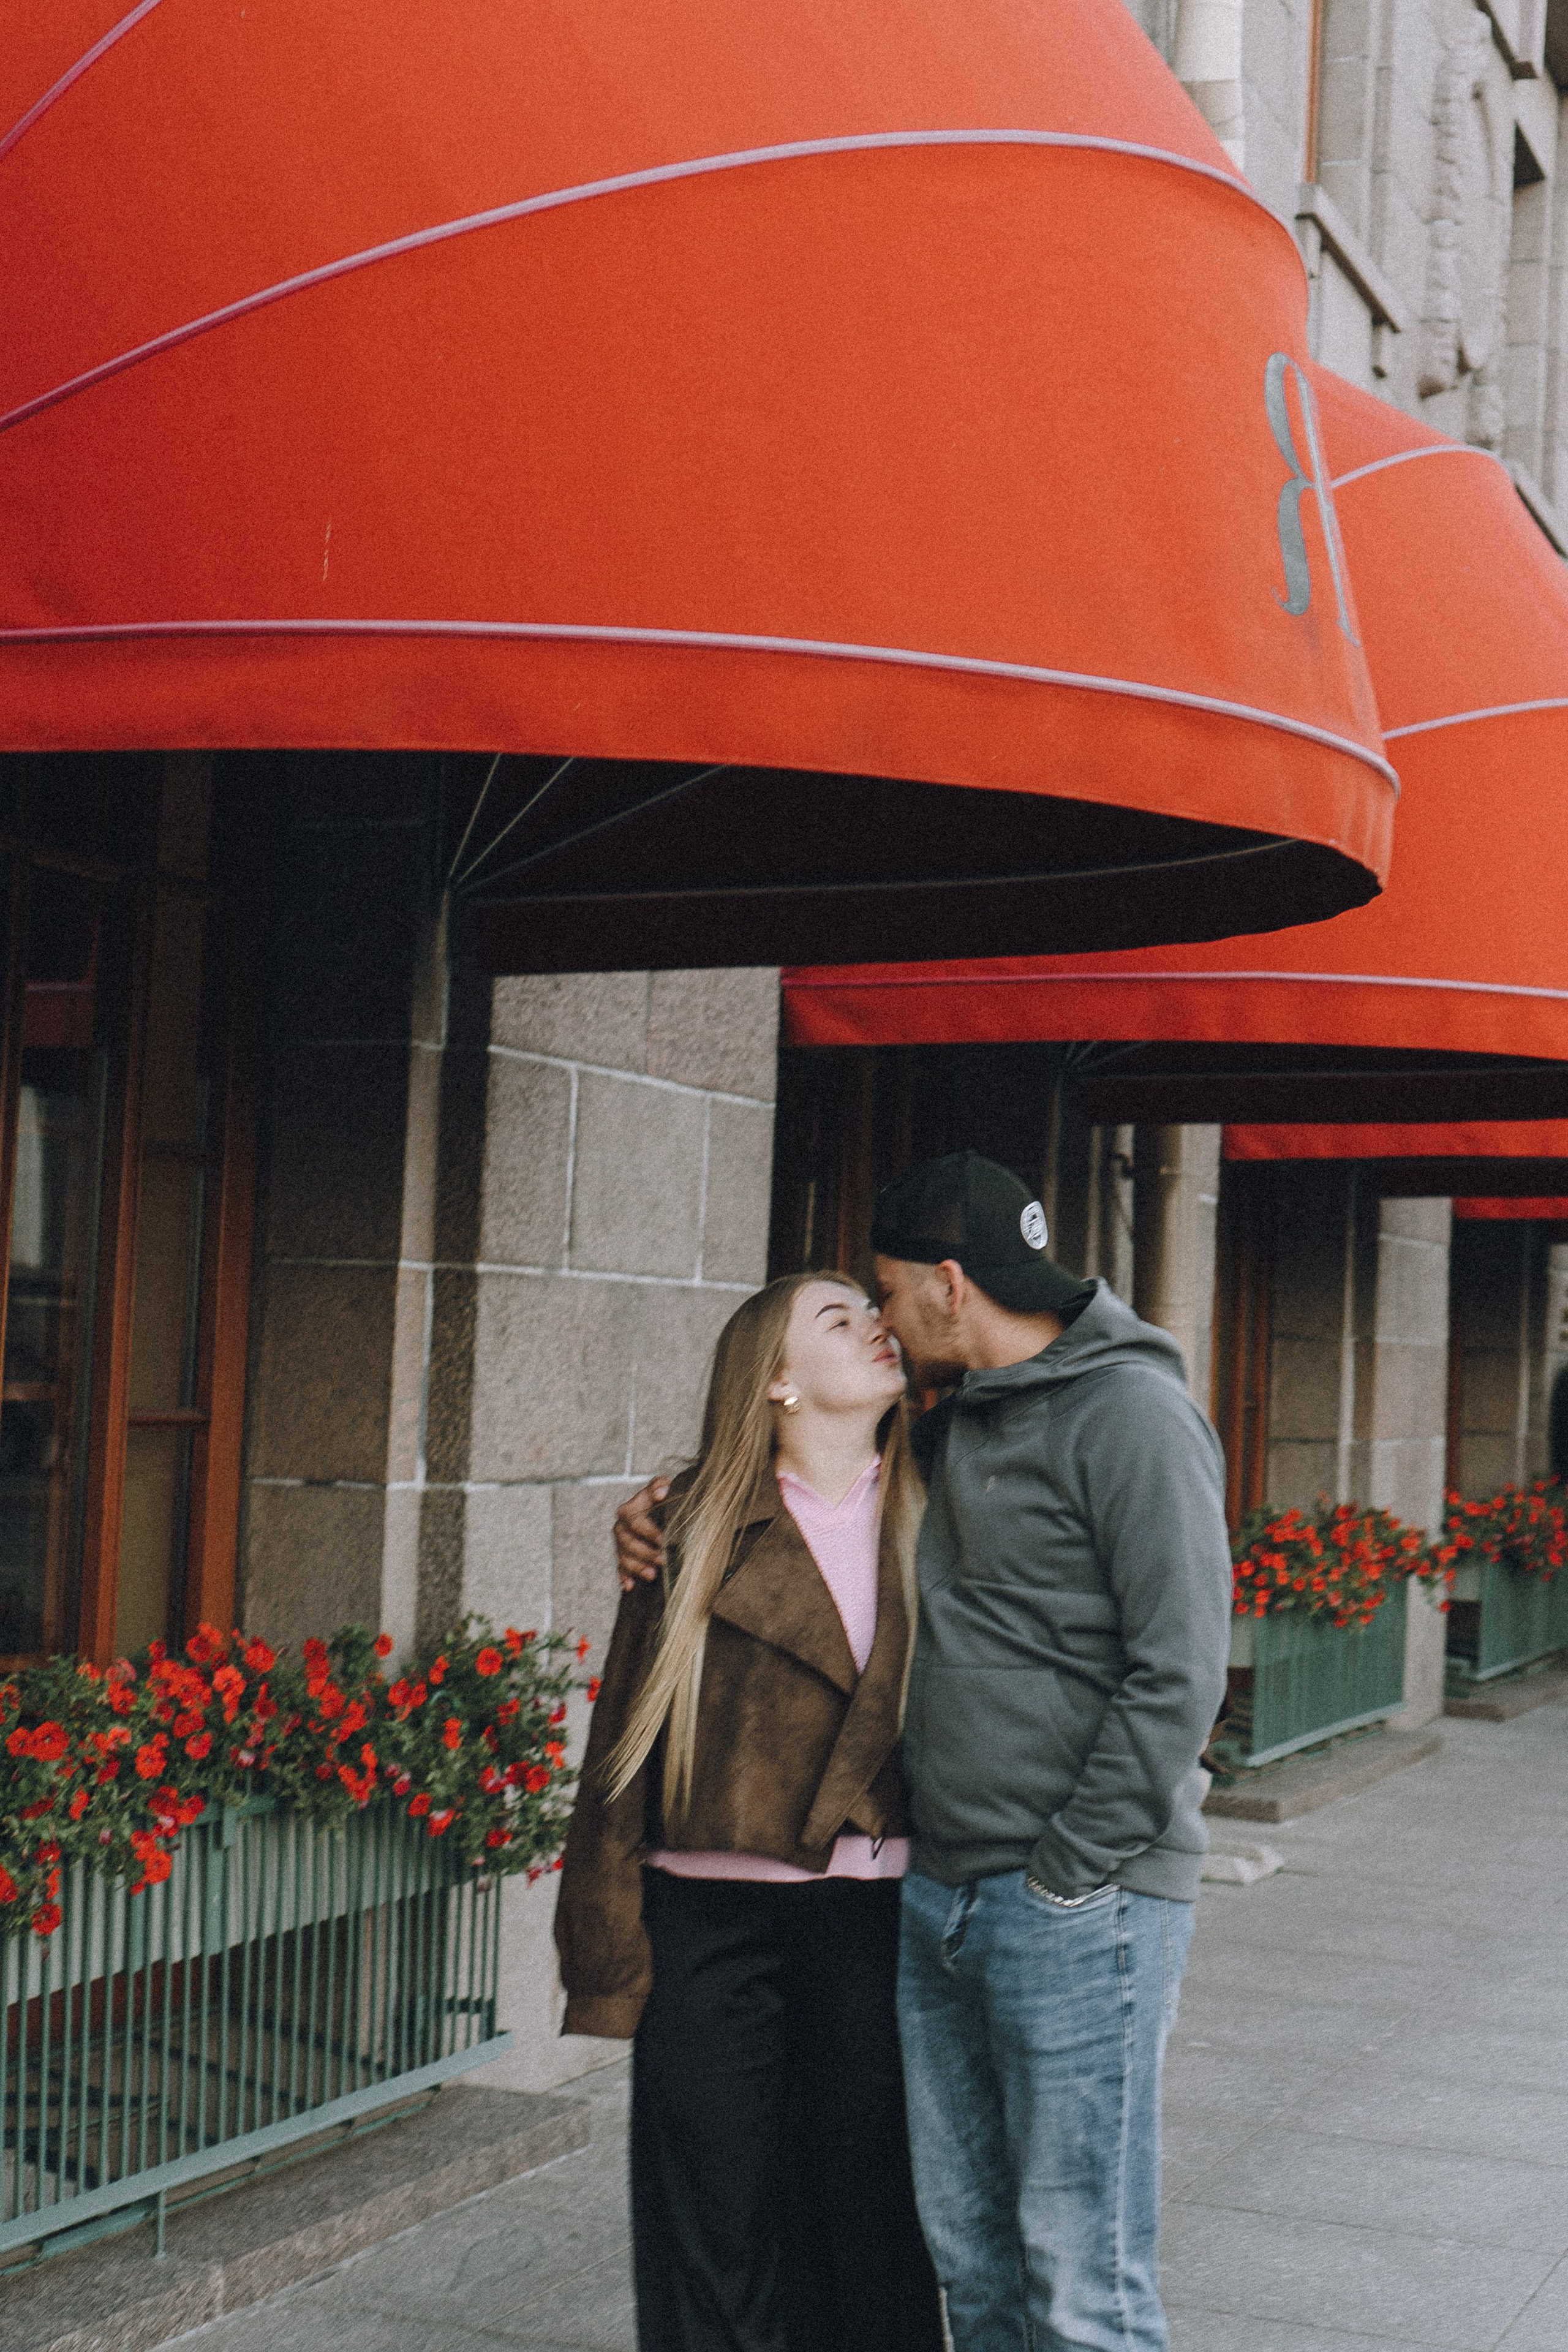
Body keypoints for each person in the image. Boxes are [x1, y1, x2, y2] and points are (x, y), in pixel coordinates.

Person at [618, 1152, 1233, 2352]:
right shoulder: (956, 1432)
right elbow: (798, 1483)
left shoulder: (1133, 1415)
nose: (883, 1323)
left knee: (1080, 2277)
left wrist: (1069, 1873)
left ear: (950, 1286)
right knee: (975, 2263)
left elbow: (1181, 1672)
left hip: (1073, 1900)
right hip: (943, 1895)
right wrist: (659, 1510)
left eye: (888, 1295)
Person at [557, 1271, 944, 2352]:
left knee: (868, 2224)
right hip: (707, 1929)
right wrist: (604, 1962)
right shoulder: (690, 1527)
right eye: (838, 1319)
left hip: (876, 1919)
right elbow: (620, 1757)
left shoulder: (943, 1508)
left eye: (874, 1310)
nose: (875, 1326)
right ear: (777, 1380)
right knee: (712, 2231)